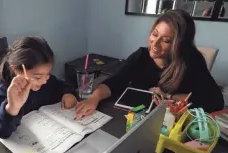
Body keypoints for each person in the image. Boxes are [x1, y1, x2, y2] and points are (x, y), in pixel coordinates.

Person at [75, 9, 224, 120]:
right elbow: (114, 82)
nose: (155, 44)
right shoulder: (141, 56)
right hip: (138, 119)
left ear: (180, 45)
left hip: (171, 124)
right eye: (154, 34)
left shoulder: (192, 61)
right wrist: (93, 99)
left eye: (165, 40)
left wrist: (169, 96)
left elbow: (215, 101)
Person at [0, 37, 77, 138]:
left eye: (48, 74)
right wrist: (12, 108)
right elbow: (0, 131)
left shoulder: (47, 82)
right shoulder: (3, 92)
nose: (44, 80)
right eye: (38, 77)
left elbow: (62, 86)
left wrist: (68, 93)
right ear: (17, 71)